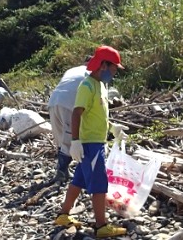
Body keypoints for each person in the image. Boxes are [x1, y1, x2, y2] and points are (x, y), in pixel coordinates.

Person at [53, 46, 128, 238]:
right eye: (113, 69)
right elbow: (77, 113)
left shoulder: (100, 86)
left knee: (78, 180)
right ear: (103, 65)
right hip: (90, 144)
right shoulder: (86, 86)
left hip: (96, 141)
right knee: (99, 184)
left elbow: (99, 114)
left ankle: (63, 215)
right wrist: (75, 141)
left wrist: (113, 128)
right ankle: (101, 226)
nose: (114, 73)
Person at [47, 60, 90, 183]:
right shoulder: (91, 73)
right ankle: (61, 172)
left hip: (53, 102)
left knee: (60, 139)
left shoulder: (72, 70)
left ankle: (63, 171)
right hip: (69, 104)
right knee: (69, 139)